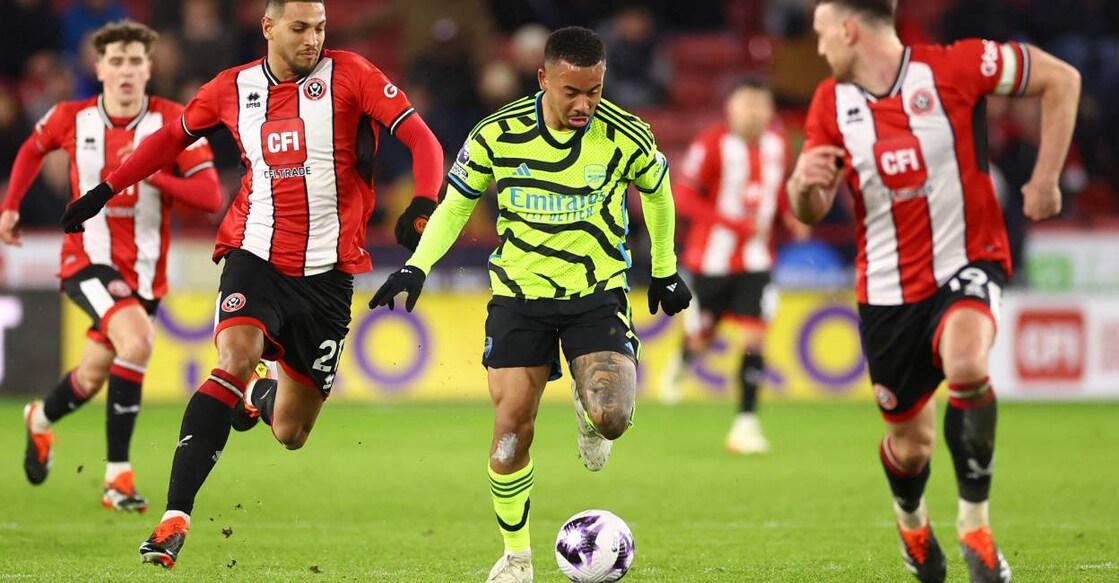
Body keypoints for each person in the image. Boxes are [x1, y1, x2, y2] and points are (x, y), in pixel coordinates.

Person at [59, 0, 444, 569]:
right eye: (299, 28)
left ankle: (260, 395)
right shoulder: (231, 88)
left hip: (329, 276)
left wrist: (422, 202)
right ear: (268, 28)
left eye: (319, 28)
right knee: (235, 357)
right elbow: (169, 141)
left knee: (290, 432)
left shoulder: (353, 74)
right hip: (255, 252)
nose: (312, 39)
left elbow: (424, 141)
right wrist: (105, 189)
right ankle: (174, 518)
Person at [370, 26, 693, 583]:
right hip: (519, 298)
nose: (584, 104)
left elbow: (659, 192)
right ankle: (517, 556)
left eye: (594, 91)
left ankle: (590, 416)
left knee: (612, 418)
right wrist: (416, 265)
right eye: (571, 91)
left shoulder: (626, 135)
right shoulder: (496, 135)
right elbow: (455, 205)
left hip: (596, 294)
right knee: (510, 434)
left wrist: (663, 268)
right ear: (543, 78)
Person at [790, 1, 1079, 582]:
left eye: (822, 35)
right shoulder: (830, 102)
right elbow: (810, 207)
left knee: (968, 362)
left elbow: (1062, 78)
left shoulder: (956, 67)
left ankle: (975, 527)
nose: (819, 49)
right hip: (887, 292)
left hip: (968, 262)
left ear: (848, 29)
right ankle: (912, 523)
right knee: (911, 445)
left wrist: (1046, 177)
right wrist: (803, 187)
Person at [2, 20, 222, 512]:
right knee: (137, 342)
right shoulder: (70, 117)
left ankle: (40, 418)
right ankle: (117, 476)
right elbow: (31, 150)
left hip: (145, 274)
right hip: (88, 260)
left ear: (149, 69)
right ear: (99, 69)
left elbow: (210, 196)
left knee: (92, 375)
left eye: (135, 61)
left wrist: (152, 174)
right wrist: (10, 206)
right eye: (116, 61)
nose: (125, 70)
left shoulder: (174, 121)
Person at [658, 78, 808, 454]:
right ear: (731, 109)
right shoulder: (711, 144)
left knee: (755, 338)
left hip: (756, 261)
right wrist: (730, 223)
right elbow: (682, 196)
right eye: (747, 105)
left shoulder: (779, 145)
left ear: (770, 110)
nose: (753, 113)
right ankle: (684, 358)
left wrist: (790, 215)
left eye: (760, 105)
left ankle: (745, 424)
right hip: (712, 262)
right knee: (703, 336)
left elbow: (776, 191)